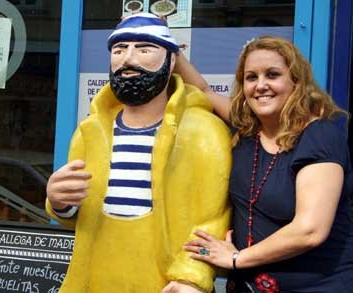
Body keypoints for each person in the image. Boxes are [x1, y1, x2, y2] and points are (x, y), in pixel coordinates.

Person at [46, 13, 232, 293]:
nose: (128, 59)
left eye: (144, 49)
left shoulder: (203, 132)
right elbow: (78, 216)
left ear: (171, 62)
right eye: (119, 50)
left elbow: (214, 219)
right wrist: (59, 203)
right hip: (94, 280)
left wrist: (192, 276)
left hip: (165, 283)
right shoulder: (90, 132)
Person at [176, 36, 353, 292]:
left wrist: (236, 259)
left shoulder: (319, 136)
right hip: (248, 285)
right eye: (251, 77)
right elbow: (204, 91)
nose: (260, 85)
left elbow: (310, 229)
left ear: (296, 81)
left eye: (272, 75)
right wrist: (166, 44)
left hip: (318, 285)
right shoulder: (248, 130)